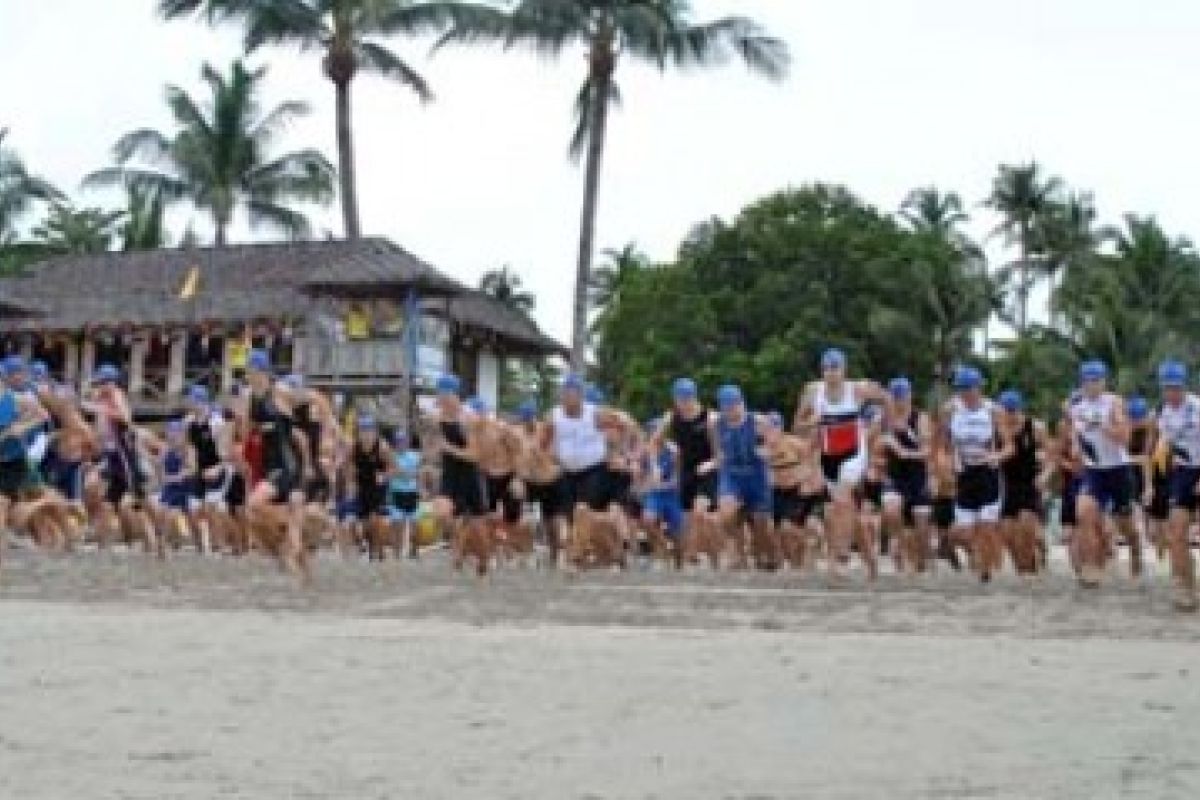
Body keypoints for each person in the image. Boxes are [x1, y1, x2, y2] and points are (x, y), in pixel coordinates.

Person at [794, 348, 885, 580]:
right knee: (842, 511)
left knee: (842, 501)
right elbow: (797, 426)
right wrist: (812, 423)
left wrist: (887, 424)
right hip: (830, 453)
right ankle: (870, 559)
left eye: (835, 368)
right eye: (827, 368)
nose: (831, 373)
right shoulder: (813, 391)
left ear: (844, 370)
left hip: (854, 452)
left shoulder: (857, 389)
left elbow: (887, 399)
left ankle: (837, 559)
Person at [1064, 360, 1137, 587]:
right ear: (1081, 382)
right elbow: (1075, 428)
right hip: (1094, 471)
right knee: (1084, 514)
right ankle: (1091, 566)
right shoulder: (1074, 404)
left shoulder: (1114, 403)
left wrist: (1102, 425)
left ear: (1104, 382)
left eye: (1096, 380)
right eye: (1087, 381)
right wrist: (1076, 445)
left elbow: (1125, 438)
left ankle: (1135, 547)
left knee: (1124, 524)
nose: (1092, 385)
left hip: (1118, 469)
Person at [239, 350, 310, 582]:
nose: (247, 374)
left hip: (287, 465)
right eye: (247, 371)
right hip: (270, 466)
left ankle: (287, 526)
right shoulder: (250, 398)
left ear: (260, 371)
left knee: (254, 505)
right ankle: (298, 568)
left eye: (250, 370)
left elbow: (314, 398)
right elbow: (245, 432)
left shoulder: (279, 392)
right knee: (253, 517)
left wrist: (327, 423)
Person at [944, 366, 1010, 582]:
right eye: (961, 389)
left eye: (970, 389)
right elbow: (939, 443)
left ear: (980, 388)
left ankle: (984, 568)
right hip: (964, 475)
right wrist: (943, 465)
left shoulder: (993, 411)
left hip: (987, 474)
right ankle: (953, 545)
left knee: (986, 526)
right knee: (963, 531)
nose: (966, 394)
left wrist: (995, 457)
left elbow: (1009, 447)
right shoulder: (949, 410)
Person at [653, 378, 722, 567]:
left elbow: (720, 454)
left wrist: (711, 464)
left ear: (694, 397)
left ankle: (705, 556)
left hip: (707, 471)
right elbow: (654, 442)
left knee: (701, 513)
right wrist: (657, 463)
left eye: (687, 399)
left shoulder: (710, 419)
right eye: (680, 400)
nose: (683, 404)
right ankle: (686, 559)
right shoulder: (671, 417)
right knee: (687, 519)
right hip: (686, 471)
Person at [712, 385, 779, 571]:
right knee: (726, 514)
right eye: (726, 407)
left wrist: (767, 451)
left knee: (761, 523)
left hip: (756, 476)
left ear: (742, 403)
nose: (731, 410)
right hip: (732, 474)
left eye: (734, 405)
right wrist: (714, 463)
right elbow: (718, 450)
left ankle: (766, 555)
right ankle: (738, 555)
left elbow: (774, 446)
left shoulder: (758, 421)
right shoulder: (717, 424)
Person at [430, 374, 491, 576]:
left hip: (469, 475)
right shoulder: (437, 417)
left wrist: (449, 448)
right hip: (450, 472)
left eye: (443, 395)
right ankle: (458, 546)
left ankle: (483, 560)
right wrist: (435, 450)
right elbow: (434, 445)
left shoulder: (468, 419)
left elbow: (475, 455)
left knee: (479, 530)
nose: (440, 399)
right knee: (441, 513)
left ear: (453, 396)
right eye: (439, 395)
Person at [1151, 361, 1199, 610]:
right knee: (1176, 533)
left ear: (1184, 386)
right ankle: (1187, 588)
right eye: (1167, 388)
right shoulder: (1164, 413)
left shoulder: (1197, 408)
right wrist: (1153, 484)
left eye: (1176, 388)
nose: (1172, 393)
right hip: (1182, 472)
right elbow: (1162, 450)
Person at [880, 378, 933, 576]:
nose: (898, 402)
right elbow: (877, 440)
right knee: (892, 511)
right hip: (895, 477)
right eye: (895, 397)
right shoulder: (885, 419)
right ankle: (897, 545)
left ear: (910, 396)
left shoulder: (921, 419)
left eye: (902, 397)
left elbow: (928, 451)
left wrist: (908, 452)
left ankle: (920, 564)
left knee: (921, 531)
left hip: (917, 478)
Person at [996, 389, 1050, 575]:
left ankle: (1032, 567)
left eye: (1014, 411)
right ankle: (1024, 568)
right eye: (1007, 411)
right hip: (1008, 487)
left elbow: (1051, 457)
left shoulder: (1036, 427)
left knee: (1026, 529)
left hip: (1030, 485)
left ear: (1020, 409)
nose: (1010, 415)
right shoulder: (995, 429)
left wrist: (1045, 475)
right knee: (1009, 536)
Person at [514, 399, 565, 564]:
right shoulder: (518, 434)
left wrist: (541, 455)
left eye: (529, 419)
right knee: (526, 520)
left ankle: (555, 554)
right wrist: (520, 480)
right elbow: (519, 460)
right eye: (524, 419)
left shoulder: (546, 432)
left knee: (552, 523)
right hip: (531, 481)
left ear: (534, 417)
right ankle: (528, 553)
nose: (527, 422)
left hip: (550, 480)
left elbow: (556, 457)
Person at [345, 415, 392, 561]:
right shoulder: (354, 447)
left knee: (375, 519)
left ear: (375, 432)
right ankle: (373, 547)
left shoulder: (382, 447)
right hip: (363, 486)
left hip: (378, 487)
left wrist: (384, 476)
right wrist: (350, 484)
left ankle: (379, 551)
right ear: (359, 432)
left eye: (369, 430)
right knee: (365, 526)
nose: (366, 434)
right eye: (363, 431)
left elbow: (394, 468)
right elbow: (349, 467)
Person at [387, 429, 423, 559]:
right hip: (397, 493)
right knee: (398, 525)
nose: (401, 444)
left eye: (403, 441)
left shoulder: (415, 456)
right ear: (395, 443)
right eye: (398, 441)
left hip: (412, 493)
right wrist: (405, 474)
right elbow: (390, 475)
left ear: (407, 442)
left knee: (416, 525)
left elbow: (418, 474)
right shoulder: (390, 456)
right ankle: (397, 554)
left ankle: (414, 551)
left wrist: (420, 489)